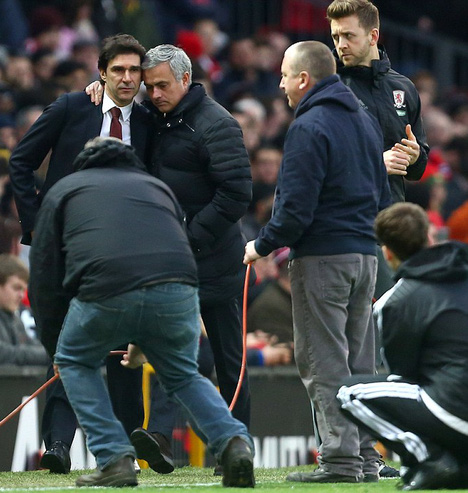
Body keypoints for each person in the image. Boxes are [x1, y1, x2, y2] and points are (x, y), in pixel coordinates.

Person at [29, 136, 255, 488]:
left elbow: (45, 276)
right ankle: (234, 443)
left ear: (84, 163)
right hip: (179, 287)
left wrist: (53, 344)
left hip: (107, 287)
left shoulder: (65, 190)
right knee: (182, 373)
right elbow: (176, 245)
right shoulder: (156, 187)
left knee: (74, 361)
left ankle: (114, 458)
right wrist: (144, 335)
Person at [243, 41, 391, 483]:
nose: (282, 84)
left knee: (323, 360)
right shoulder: (363, 119)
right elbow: (382, 194)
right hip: (365, 255)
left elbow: (295, 209)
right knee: (359, 362)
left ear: (304, 79)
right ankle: (364, 458)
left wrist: (261, 245)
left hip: (323, 257)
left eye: (285, 75)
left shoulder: (309, 125)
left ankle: (340, 461)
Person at [9, 33, 151, 473]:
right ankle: (57, 445)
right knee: (70, 344)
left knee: (123, 347)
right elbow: (21, 161)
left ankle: (131, 443)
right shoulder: (72, 108)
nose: (127, 79)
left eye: (134, 71)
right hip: (68, 249)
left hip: (126, 252)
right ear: (102, 73)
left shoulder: (148, 122)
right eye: (119, 70)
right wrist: (37, 224)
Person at [130, 43, 253, 475]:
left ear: (186, 78)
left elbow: (237, 194)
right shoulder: (154, 121)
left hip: (217, 260)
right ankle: (160, 438)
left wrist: (189, 237)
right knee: (170, 348)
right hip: (175, 262)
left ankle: (237, 445)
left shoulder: (217, 124)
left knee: (228, 359)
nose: (155, 93)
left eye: (163, 85)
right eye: (150, 87)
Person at [338, 202, 468, 490]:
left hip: (455, 407)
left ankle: (431, 459)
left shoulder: (395, 301)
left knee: (350, 393)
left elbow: (403, 376)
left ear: (387, 253)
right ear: (431, 236)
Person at [326, 0, 429, 298]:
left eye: (348, 36)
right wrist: (375, 162)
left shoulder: (403, 88)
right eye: (335, 37)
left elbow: (419, 168)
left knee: (394, 319)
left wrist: (414, 156)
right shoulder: (329, 87)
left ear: (372, 36)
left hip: (393, 224)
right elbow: (317, 161)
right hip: (346, 225)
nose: (341, 45)